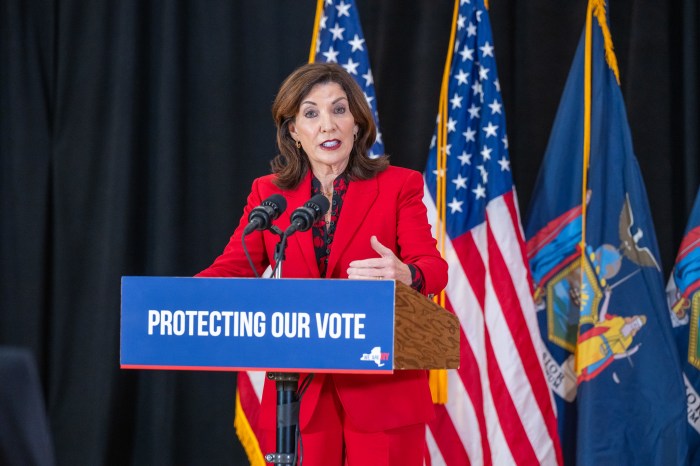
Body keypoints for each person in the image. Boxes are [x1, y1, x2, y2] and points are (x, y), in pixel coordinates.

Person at [196, 62, 448, 465]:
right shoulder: (270, 194)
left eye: (339, 110)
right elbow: (234, 266)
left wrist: (407, 273)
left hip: (382, 391)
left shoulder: (399, 185)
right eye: (311, 113)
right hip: (302, 396)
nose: (327, 124)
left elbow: (433, 267)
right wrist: (177, 299)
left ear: (357, 124)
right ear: (294, 131)